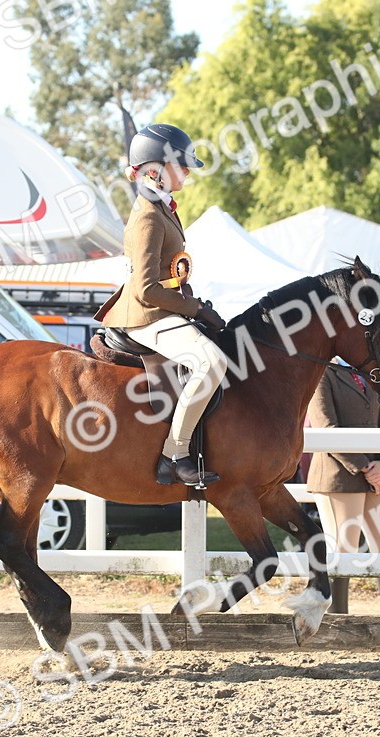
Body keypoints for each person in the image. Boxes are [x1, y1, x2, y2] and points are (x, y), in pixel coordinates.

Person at [95, 124, 228, 487]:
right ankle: (176, 453)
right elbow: (147, 289)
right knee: (212, 362)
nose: (187, 172)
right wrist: (195, 310)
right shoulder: (148, 216)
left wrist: (194, 302)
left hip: (164, 308)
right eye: (180, 165)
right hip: (146, 314)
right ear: (154, 170)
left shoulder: (162, 207)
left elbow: (170, 273)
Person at [305, 360, 380, 615]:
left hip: (377, 472)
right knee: (344, 548)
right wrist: (366, 467)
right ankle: (337, 620)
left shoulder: (371, 372)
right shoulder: (321, 373)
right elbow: (325, 426)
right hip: (339, 472)